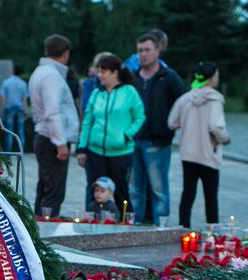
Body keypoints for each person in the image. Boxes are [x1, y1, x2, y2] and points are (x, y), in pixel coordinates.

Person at [76, 52, 144, 216]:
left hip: (121, 152)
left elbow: (140, 117)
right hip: (95, 151)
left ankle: (126, 223)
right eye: (98, 71)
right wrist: (82, 148)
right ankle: (92, 224)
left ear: (115, 72)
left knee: (121, 192)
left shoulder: (129, 92)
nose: (99, 75)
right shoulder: (96, 93)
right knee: (95, 191)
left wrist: (126, 135)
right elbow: (87, 122)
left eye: (103, 71)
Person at [128, 32, 183, 225]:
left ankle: (162, 229)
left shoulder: (168, 77)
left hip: (158, 142)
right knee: (135, 190)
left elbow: (182, 103)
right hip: (134, 141)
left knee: (159, 190)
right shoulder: (132, 78)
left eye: (147, 50)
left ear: (157, 51)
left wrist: (172, 126)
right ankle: (134, 229)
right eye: (139, 51)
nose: (143, 54)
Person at [167, 60, 229, 228]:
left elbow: (172, 122)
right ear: (211, 78)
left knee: (188, 193)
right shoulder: (215, 100)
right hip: (209, 154)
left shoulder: (185, 99)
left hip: (188, 153)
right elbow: (216, 126)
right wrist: (225, 138)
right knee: (210, 196)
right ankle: (213, 233)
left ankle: (182, 229)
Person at [29, 34, 79, 218]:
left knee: (46, 186)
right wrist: (61, 143)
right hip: (51, 139)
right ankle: (47, 235)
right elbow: (53, 112)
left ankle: (38, 230)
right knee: (54, 190)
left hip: (45, 137)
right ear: (65, 54)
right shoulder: (51, 76)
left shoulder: (40, 72)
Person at [0, 62, 27, 151]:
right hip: (20, 108)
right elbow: (24, 98)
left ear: (13, 70)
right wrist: (25, 110)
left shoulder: (6, 82)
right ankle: (21, 151)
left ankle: (8, 153)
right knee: (21, 131)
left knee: (9, 132)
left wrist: (3, 108)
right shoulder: (23, 83)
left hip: (9, 108)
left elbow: (3, 96)